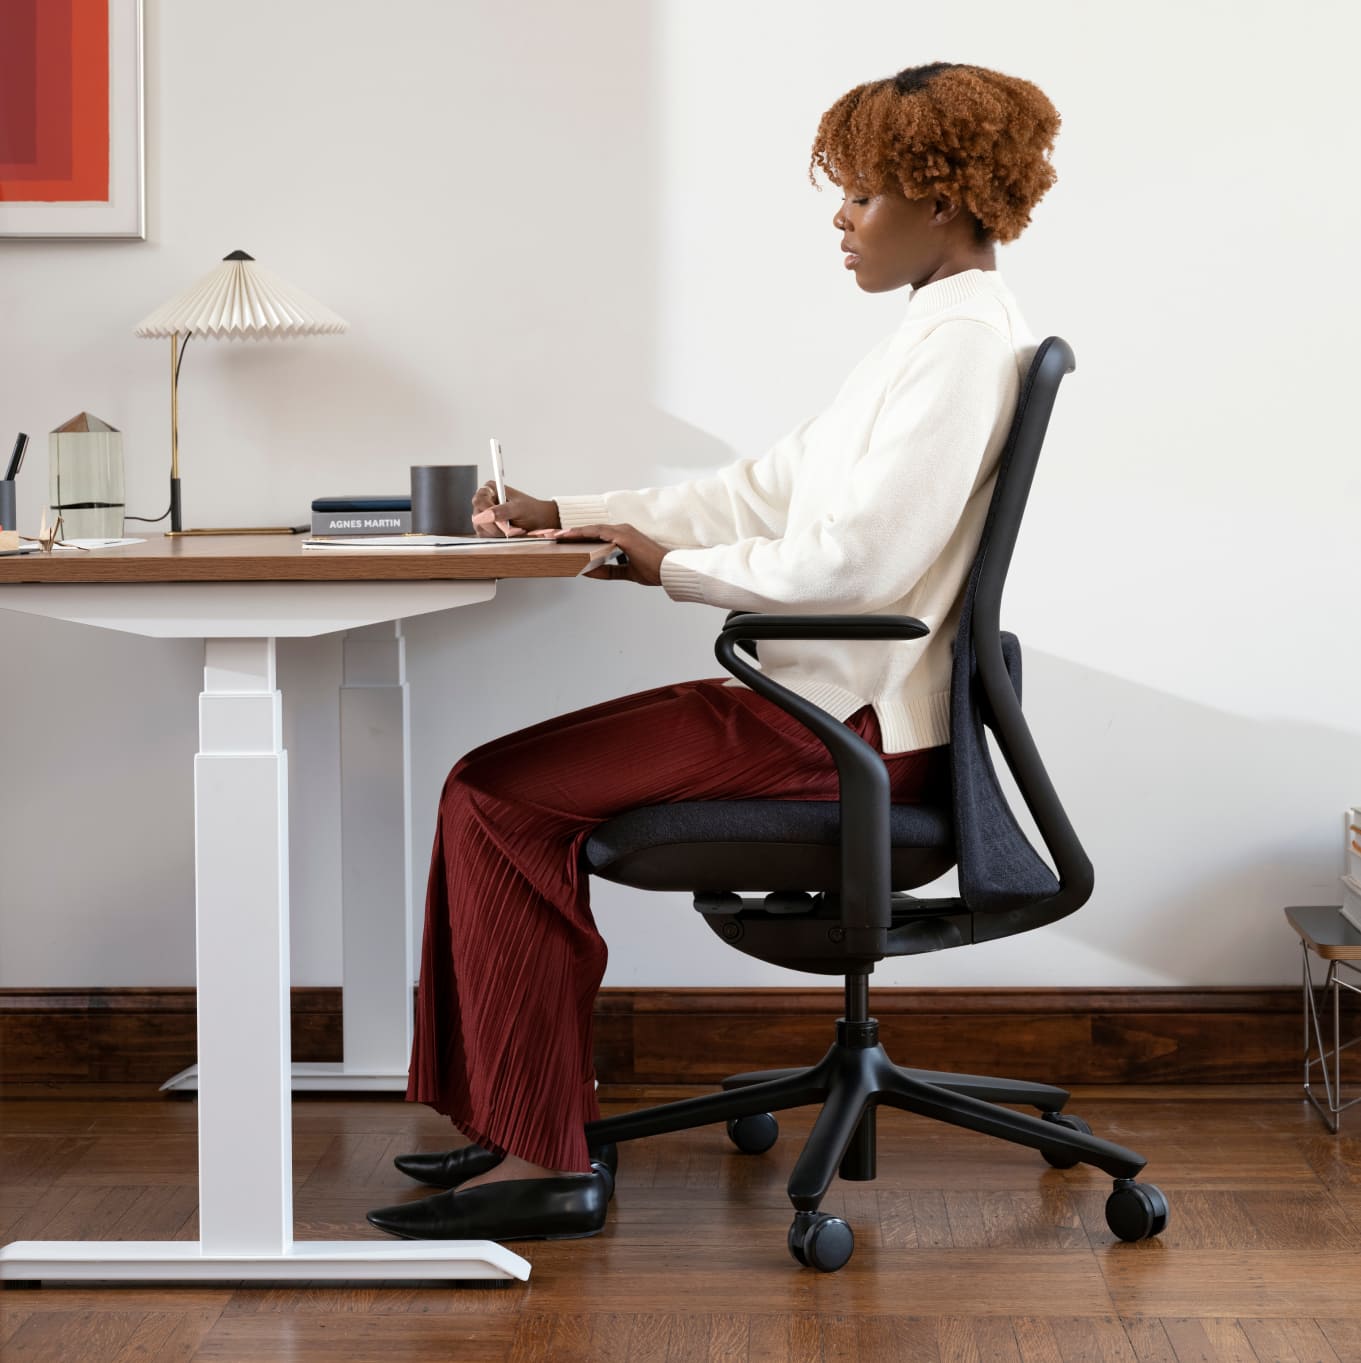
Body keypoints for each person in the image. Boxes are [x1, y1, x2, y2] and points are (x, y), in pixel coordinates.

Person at [367, 60, 1061, 1243]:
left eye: (860, 197)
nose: (839, 222)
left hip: (839, 733)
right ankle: (509, 1108)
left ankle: (549, 1150)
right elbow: (766, 488)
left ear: (939, 201)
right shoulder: (928, 335)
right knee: (493, 788)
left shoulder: (954, 347)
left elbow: (855, 566)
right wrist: (569, 512)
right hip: (826, 712)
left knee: (494, 797)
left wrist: (661, 566)